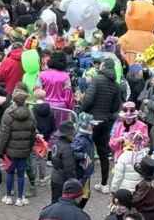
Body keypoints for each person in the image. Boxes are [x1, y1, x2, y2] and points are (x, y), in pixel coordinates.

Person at [80, 56, 123, 194]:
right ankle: (104, 183)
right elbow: (116, 106)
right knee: (103, 152)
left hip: (92, 122)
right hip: (105, 121)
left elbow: (87, 101)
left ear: (103, 66)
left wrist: (83, 107)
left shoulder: (97, 80)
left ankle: (82, 182)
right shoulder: (116, 85)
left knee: (85, 150)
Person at [0, 90, 36, 206]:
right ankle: (20, 198)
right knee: (21, 174)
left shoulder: (8, 113)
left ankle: (8, 196)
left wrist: (1, 151)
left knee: (9, 173)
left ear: (13, 101)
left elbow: (4, 135)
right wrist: (28, 149)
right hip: (24, 151)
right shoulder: (30, 114)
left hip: (10, 150)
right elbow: (33, 134)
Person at [51, 121, 78, 203]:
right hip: (62, 180)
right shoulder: (67, 148)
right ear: (69, 134)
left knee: (54, 201)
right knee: (61, 203)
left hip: (55, 176)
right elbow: (69, 169)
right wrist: (74, 182)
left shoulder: (56, 142)